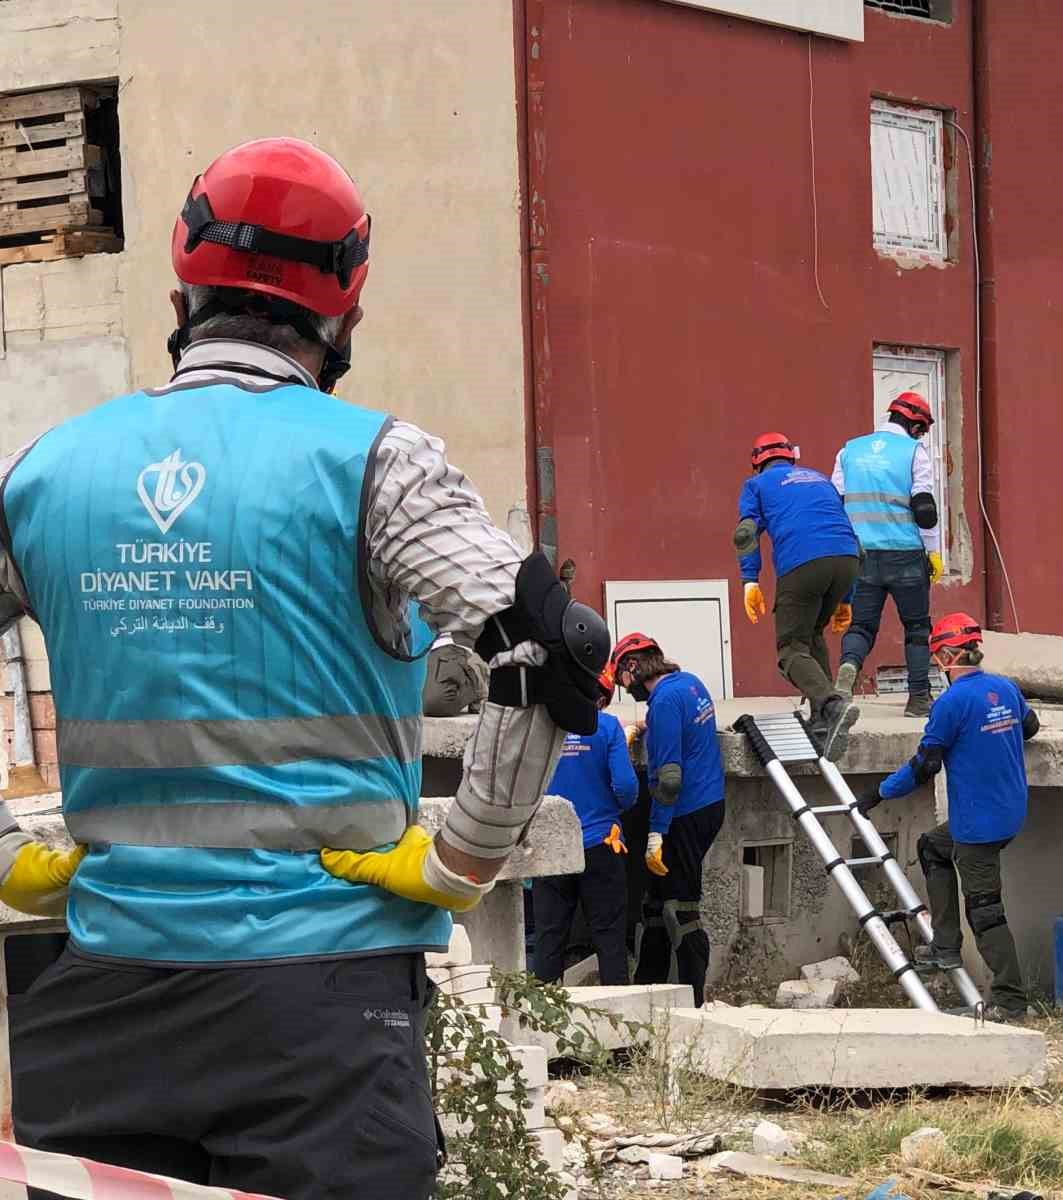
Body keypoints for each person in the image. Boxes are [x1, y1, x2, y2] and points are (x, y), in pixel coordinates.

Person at [0, 138, 607, 1200]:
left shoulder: (48, 468)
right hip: (318, 1019)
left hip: (97, 1006)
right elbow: (551, 648)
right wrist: (459, 859)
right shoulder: (375, 462)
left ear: (182, 288)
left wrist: (5, 852)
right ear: (347, 315)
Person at [858, 613, 1038, 1020]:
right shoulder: (1005, 688)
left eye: (938, 654)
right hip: (1009, 812)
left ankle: (1010, 1001)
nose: (937, 662)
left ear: (948, 655)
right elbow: (1030, 727)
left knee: (986, 910)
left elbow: (924, 767)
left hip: (978, 826)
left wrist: (878, 793)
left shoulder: (951, 703)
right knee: (933, 847)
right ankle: (944, 945)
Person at [611, 633, 725, 1005]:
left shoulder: (663, 703)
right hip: (710, 803)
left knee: (681, 908)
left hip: (684, 814)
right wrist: (652, 727)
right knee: (657, 902)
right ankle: (651, 984)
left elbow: (669, 780)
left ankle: (694, 1000)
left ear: (632, 668)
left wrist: (656, 833)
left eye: (622, 682)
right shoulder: (690, 684)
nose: (626, 691)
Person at [734, 431, 861, 755]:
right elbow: (845, 533)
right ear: (791, 458)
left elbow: (746, 532)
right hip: (848, 561)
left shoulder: (757, 485)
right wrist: (846, 599)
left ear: (757, 464)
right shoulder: (820, 479)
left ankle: (832, 705)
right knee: (812, 632)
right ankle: (823, 721)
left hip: (803, 562)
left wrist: (750, 580)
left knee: (790, 649)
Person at [832, 391, 944, 717]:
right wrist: (933, 552)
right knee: (917, 629)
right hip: (905, 554)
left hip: (861, 556)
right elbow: (925, 510)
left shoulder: (849, 450)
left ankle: (848, 671)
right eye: (921, 429)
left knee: (860, 627)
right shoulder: (913, 452)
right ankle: (919, 699)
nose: (920, 435)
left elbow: (835, 502)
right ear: (914, 424)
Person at [525, 666, 639, 985]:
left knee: (549, 937)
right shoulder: (607, 727)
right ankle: (618, 1015)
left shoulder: (545, 728)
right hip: (602, 844)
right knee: (609, 936)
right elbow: (627, 788)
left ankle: (539, 1018)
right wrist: (610, 811)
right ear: (601, 698)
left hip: (550, 847)